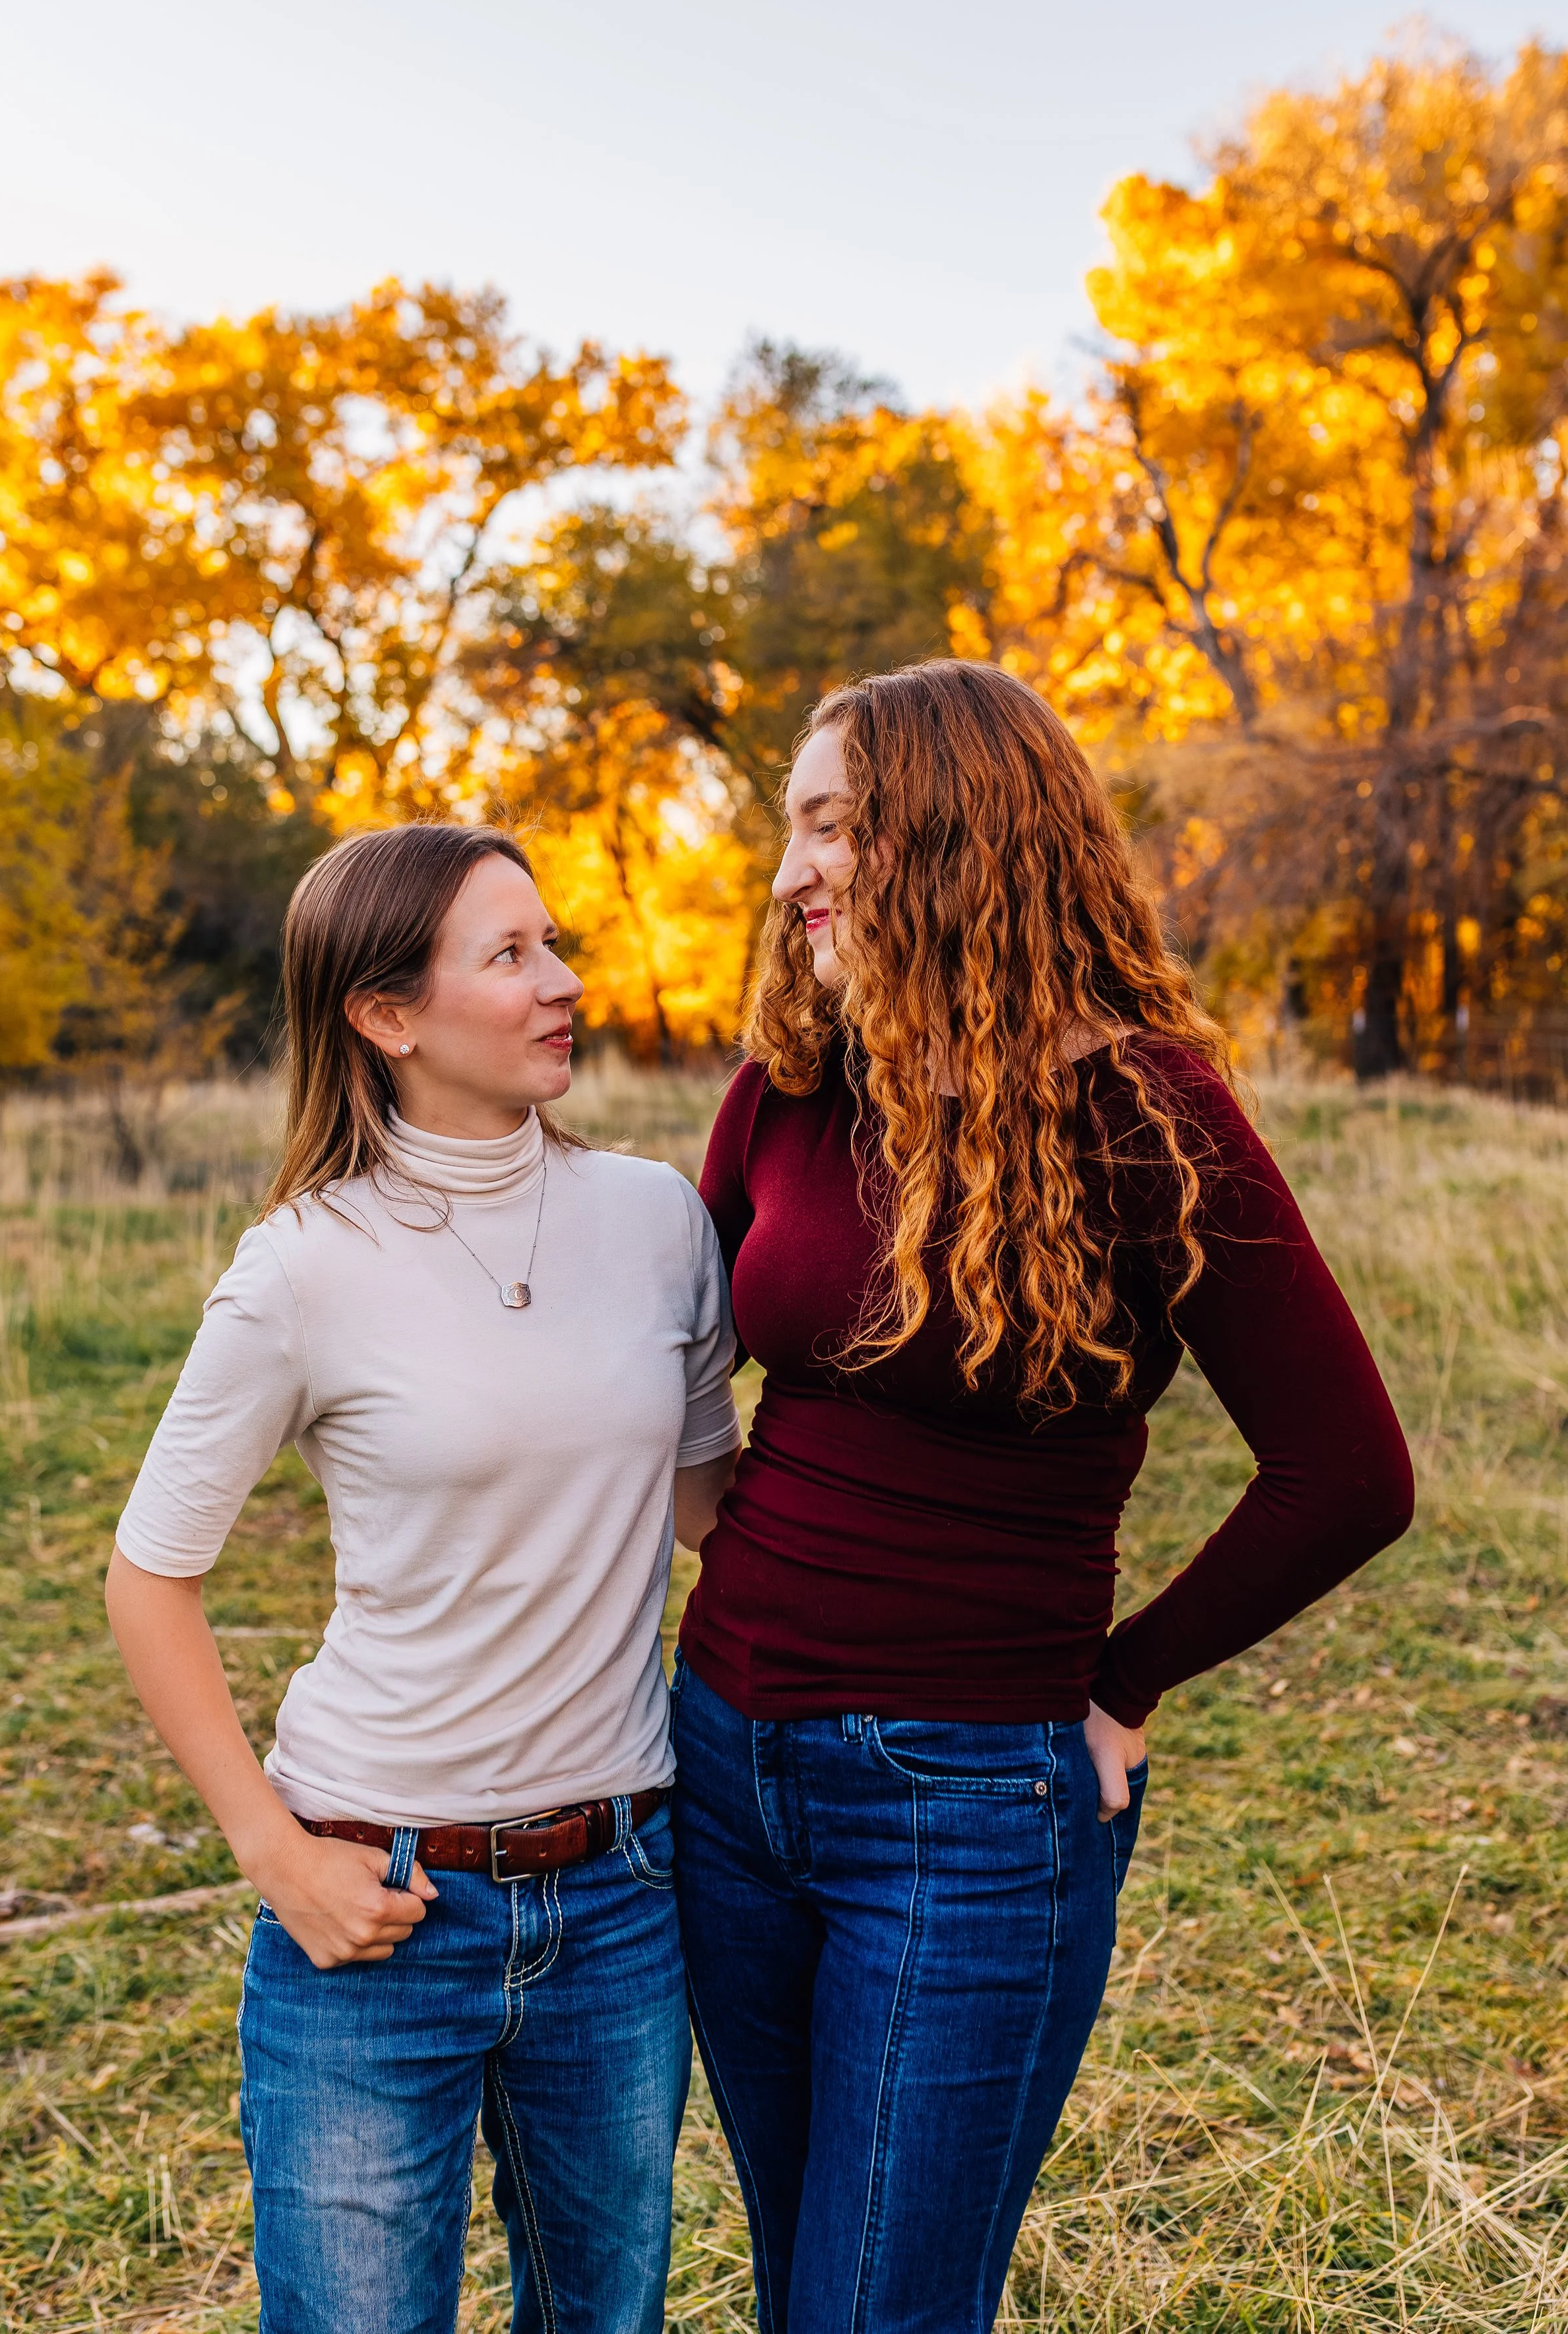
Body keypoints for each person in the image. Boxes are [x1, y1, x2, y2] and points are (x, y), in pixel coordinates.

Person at [671, 660, 1414, 2334]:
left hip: (964, 1805)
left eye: (830, 827)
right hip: (720, 1760)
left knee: (881, 2308)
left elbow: (1346, 1475)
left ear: (954, 839)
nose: (790, 871)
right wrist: (719, 1535)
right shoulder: (802, 1085)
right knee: (801, 2274)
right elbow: (664, 1353)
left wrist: (1118, 1675)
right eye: (788, 830)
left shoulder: (1149, 1119)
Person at [106, 823, 740, 2334]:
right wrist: (273, 1854)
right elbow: (149, 1577)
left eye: (553, 943)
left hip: (623, 1895)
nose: (561, 983)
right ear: (387, 1017)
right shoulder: (302, 1267)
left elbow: (716, 1506)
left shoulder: (655, 1220)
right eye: (508, 956)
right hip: (372, 1905)